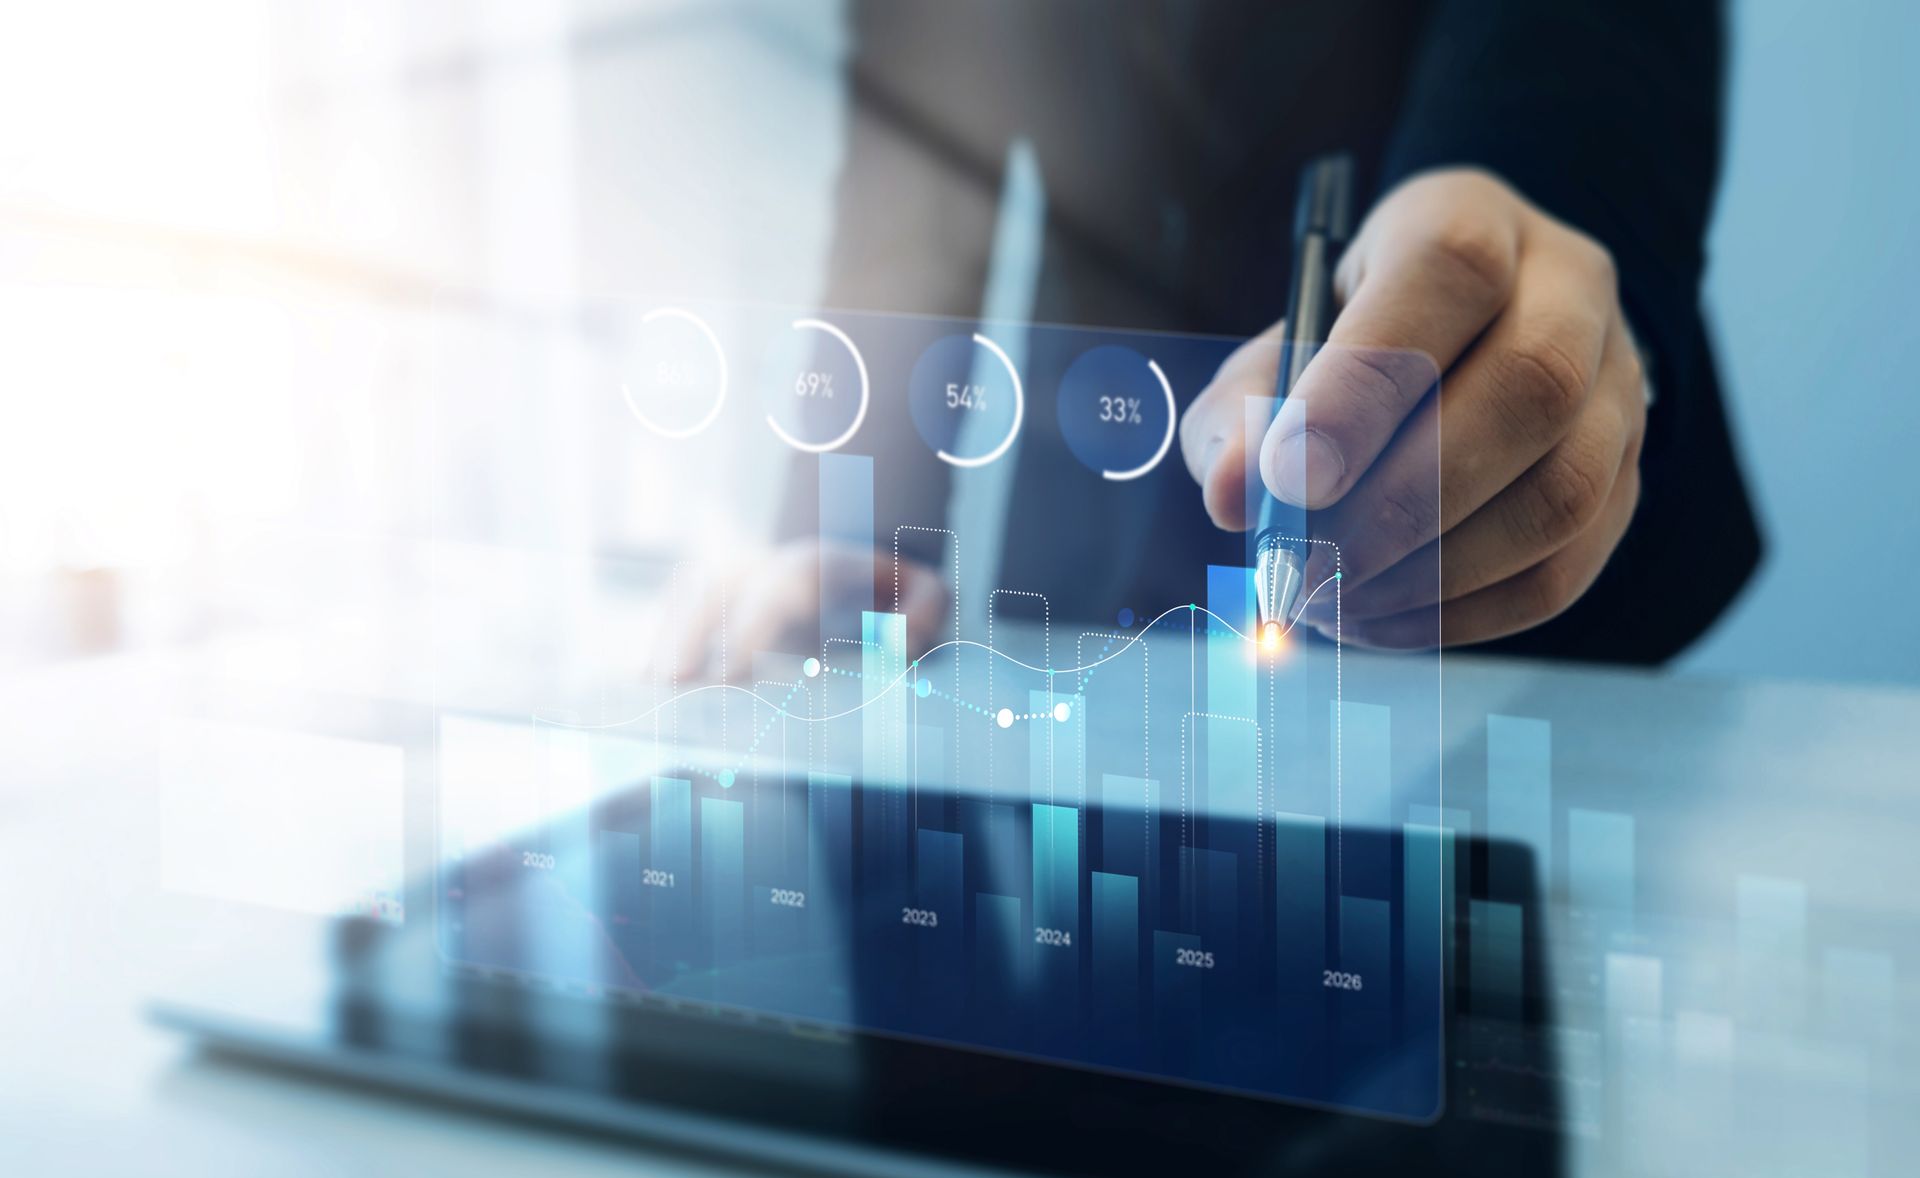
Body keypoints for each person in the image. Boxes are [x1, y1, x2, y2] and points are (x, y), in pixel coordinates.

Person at [676, 0, 1760, 676]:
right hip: (1086, 586)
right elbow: (913, 194)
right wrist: (844, 523)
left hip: (1506, 625)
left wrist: (1536, 251)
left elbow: (1584, 59)